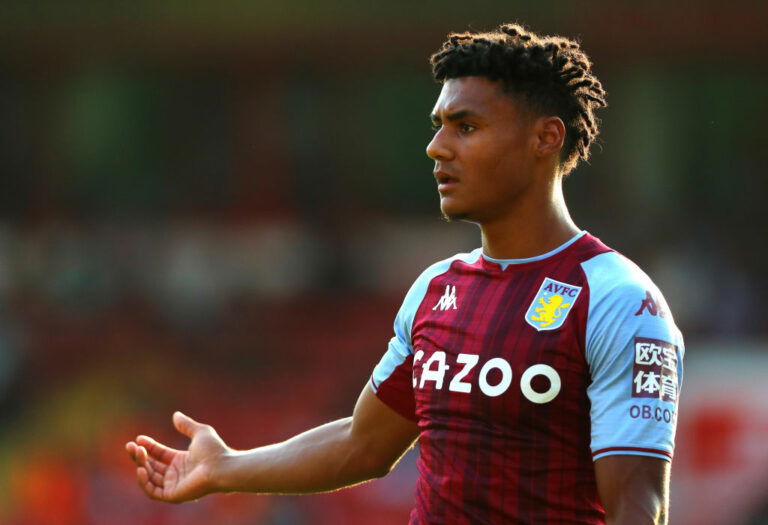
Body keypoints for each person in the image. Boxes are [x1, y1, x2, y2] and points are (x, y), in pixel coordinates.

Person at [126, 23, 684, 524]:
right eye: (439, 125)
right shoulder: (437, 289)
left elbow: (639, 507)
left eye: (466, 127)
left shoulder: (619, 300)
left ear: (546, 138)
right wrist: (226, 467)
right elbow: (361, 443)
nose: (436, 147)